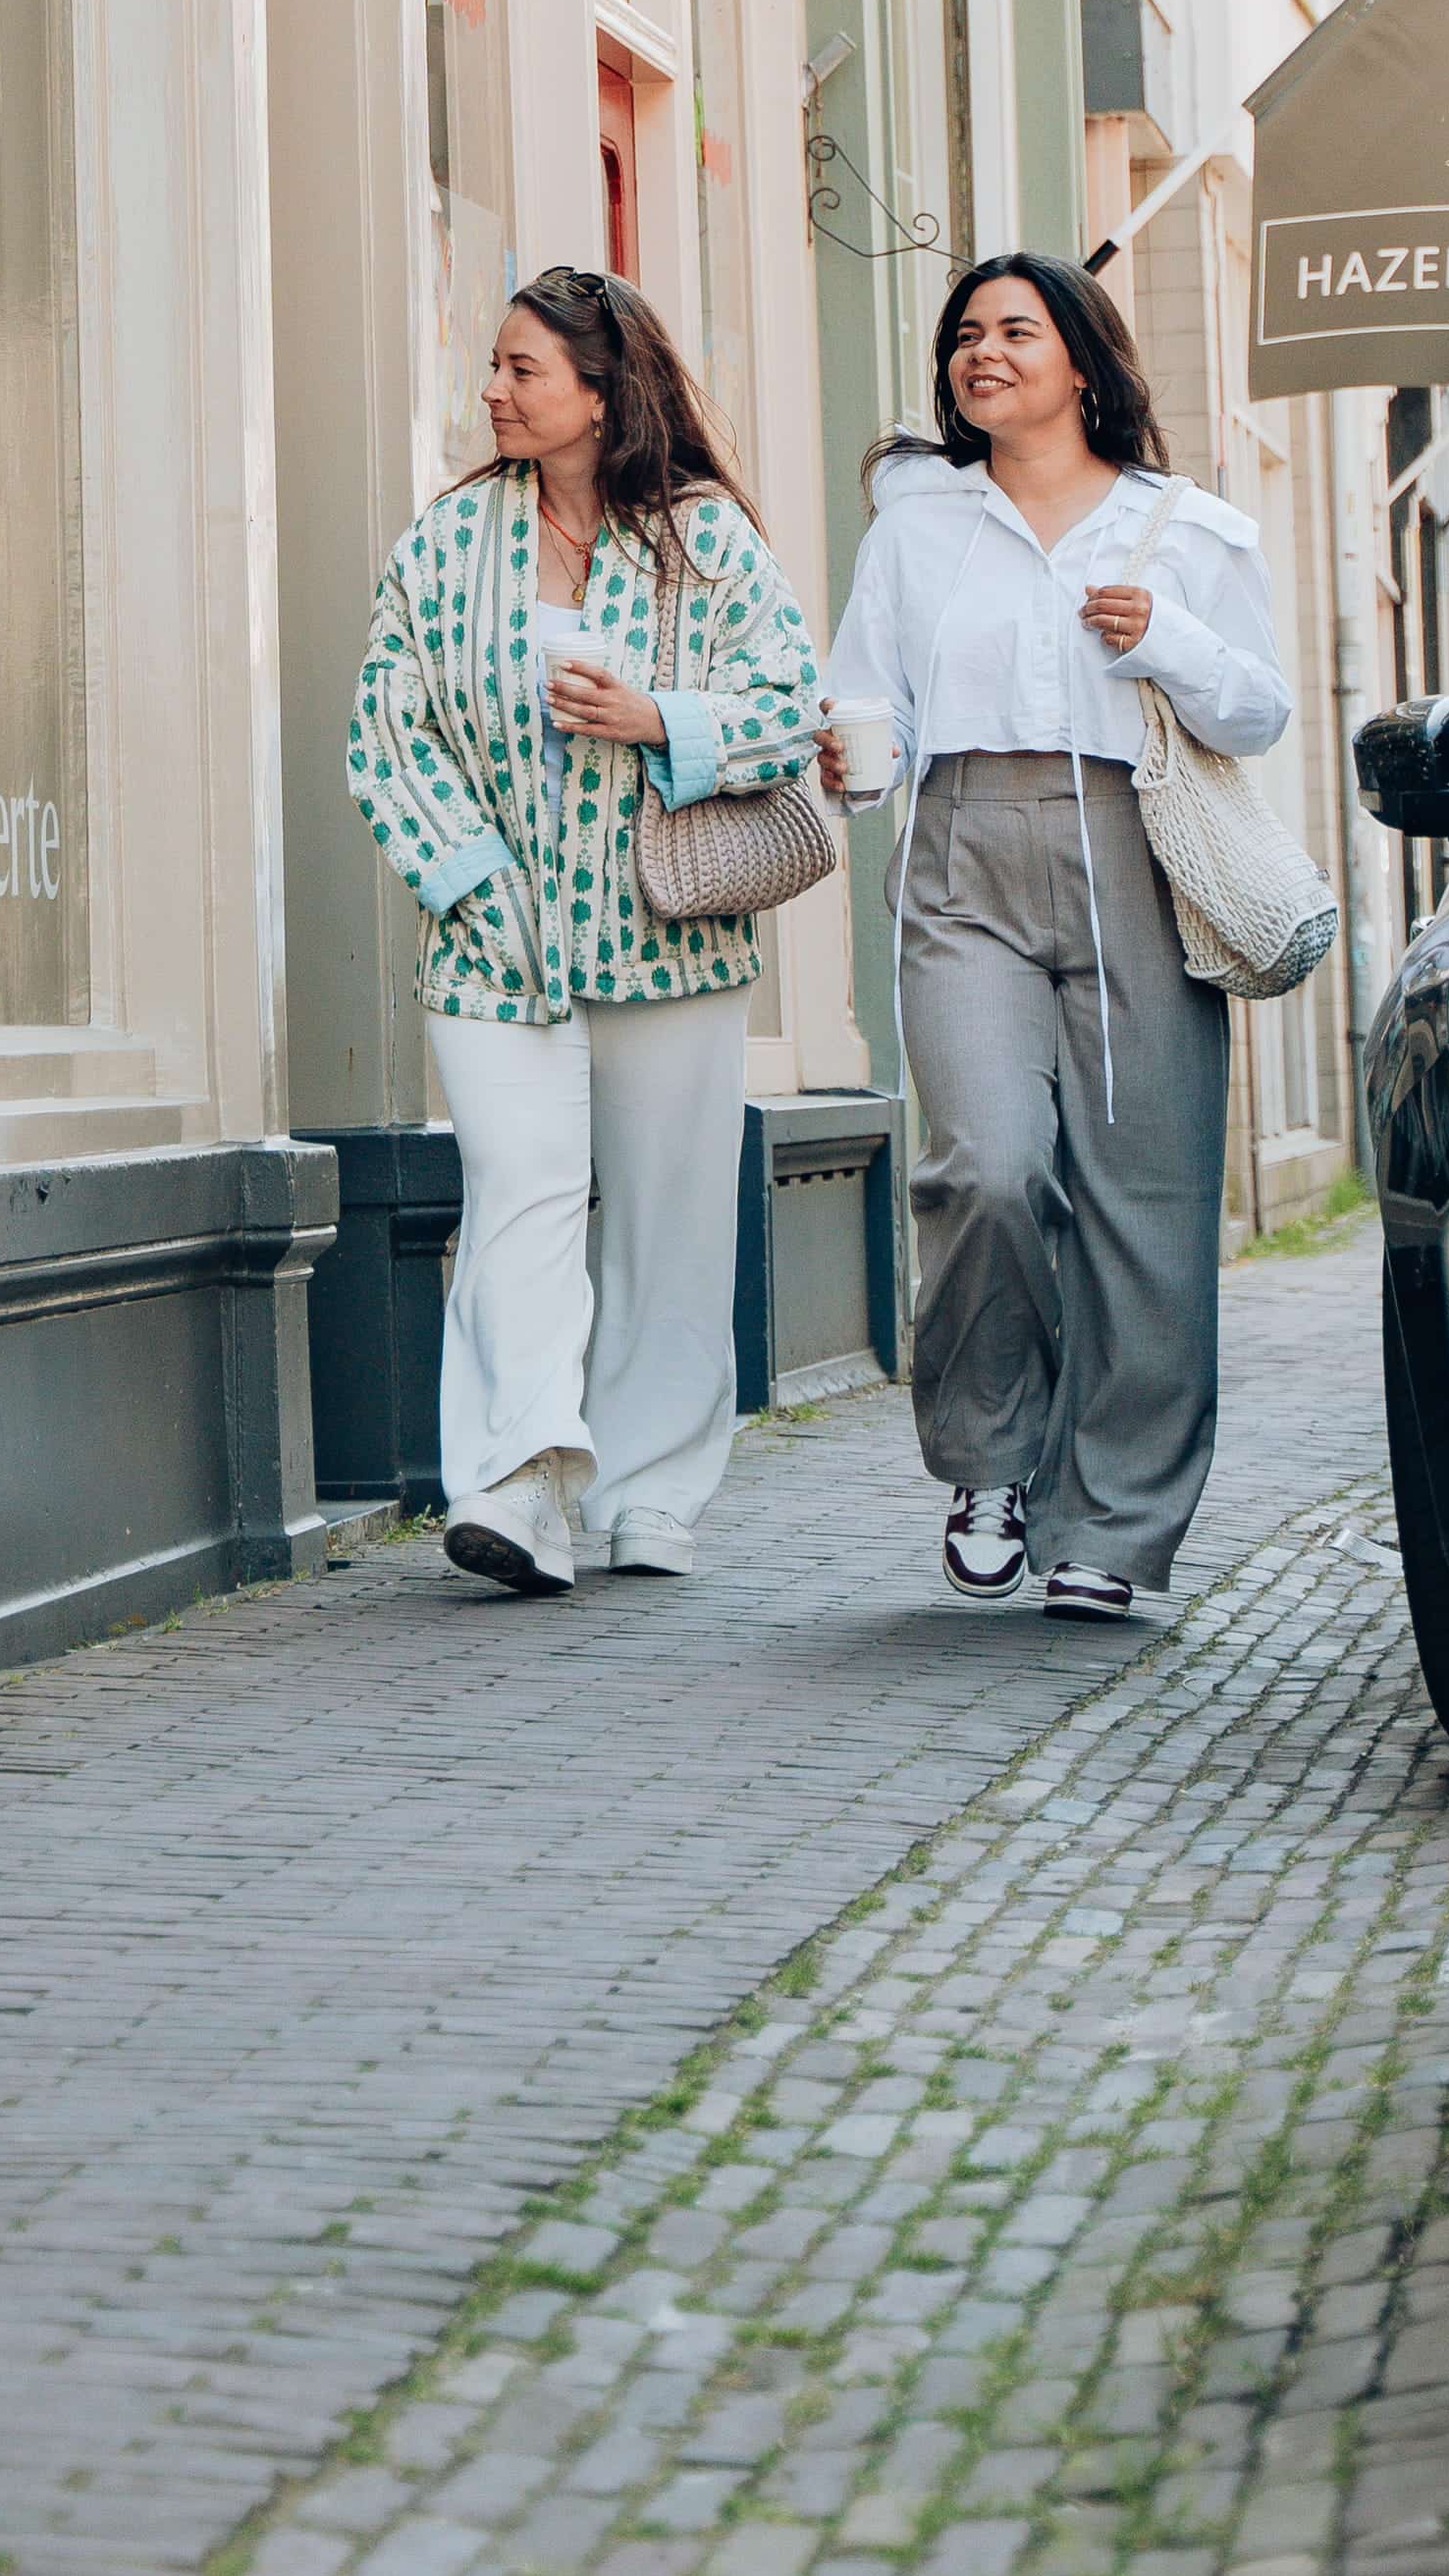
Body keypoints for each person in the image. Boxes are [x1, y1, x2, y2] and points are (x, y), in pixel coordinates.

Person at [345, 264, 826, 1594]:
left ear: (601, 393)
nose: (491, 391)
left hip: (667, 935)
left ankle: (649, 1493)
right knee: (516, 1198)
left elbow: (795, 705)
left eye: (520, 369)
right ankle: (517, 1482)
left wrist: (660, 719)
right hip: (492, 942)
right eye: (492, 367)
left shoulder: (704, 541)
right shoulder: (439, 547)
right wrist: (469, 883)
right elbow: (388, 730)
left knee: (667, 1223)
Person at [823, 254, 1290, 1623]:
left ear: (1081, 360)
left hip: (1135, 853)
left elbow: (1257, 711)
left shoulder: (1185, 528)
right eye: (964, 334)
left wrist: (1168, 643)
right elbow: (869, 698)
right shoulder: (914, 527)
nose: (982, 351)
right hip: (963, 848)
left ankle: (1115, 1523)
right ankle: (989, 1462)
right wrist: (852, 758)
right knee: (983, 1163)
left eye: (1014, 330)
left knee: (1144, 1204)